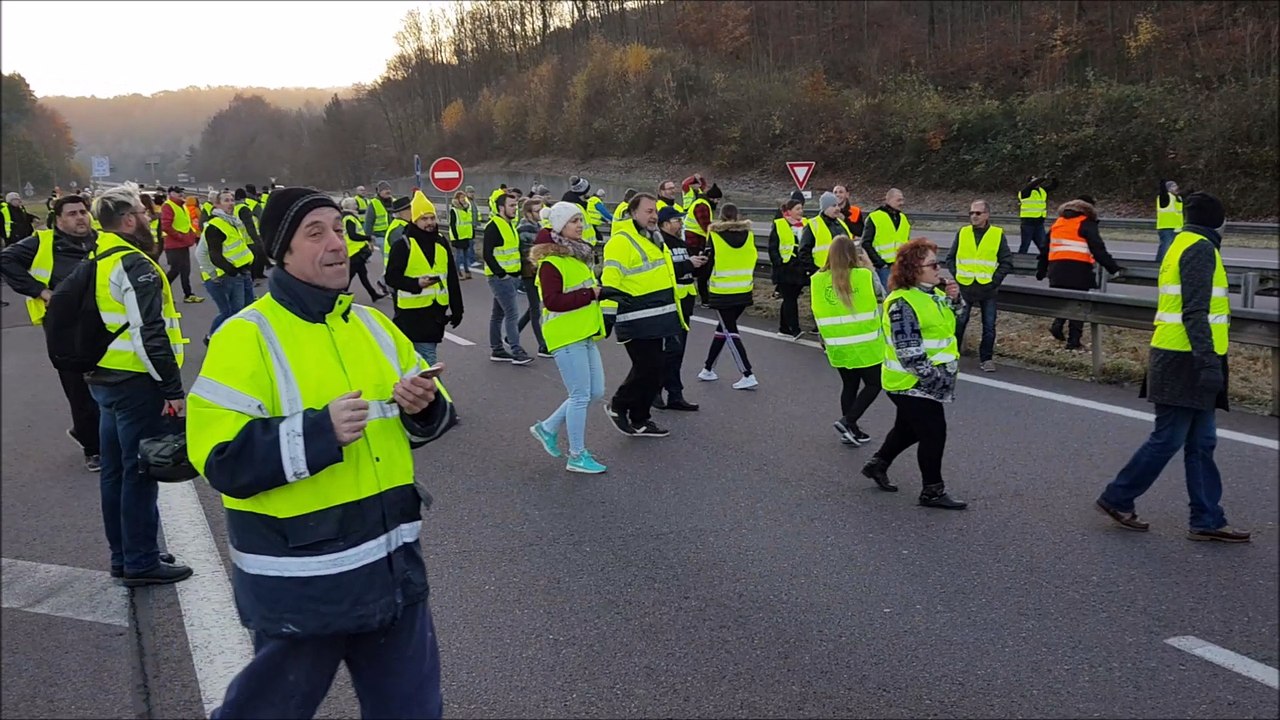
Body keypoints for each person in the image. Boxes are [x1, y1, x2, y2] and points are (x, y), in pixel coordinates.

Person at [186, 186, 455, 718]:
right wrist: (317, 433)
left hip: (394, 572)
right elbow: (219, 459)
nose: (337, 243)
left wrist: (421, 406)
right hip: (303, 586)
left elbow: (438, 412)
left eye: (340, 229)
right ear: (281, 252)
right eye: (316, 233)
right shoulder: (245, 335)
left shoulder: (375, 326)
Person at [1094, 193, 1248, 542]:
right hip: (1186, 360)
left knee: (1202, 441)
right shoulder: (1199, 249)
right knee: (1169, 439)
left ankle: (1207, 518)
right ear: (1217, 220)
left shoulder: (1180, 242)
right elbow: (1195, 311)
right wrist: (1209, 363)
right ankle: (1117, 497)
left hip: (1183, 356)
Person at [86, 184, 193, 584]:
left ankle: (125, 553)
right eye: (142, 213)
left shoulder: (97, 256)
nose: (148, 218)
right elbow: (151, 333)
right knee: (141, 472)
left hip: (104, 379)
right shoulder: (136, 264)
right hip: (136, 382)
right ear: (129, 219)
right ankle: (142, 561)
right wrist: (171, 389)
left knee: (115, 472)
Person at [860, 238, 968, 510]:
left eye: (938, 263)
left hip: (924, 380)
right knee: (934, 432)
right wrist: (936, 381)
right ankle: (932, 491)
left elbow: (952, 325)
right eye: (932, 264)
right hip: (912, 382)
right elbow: (909, 353)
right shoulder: (902, 303)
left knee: (908, 429)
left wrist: (955, 300)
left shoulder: (932, 293)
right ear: (914, 268)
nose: (938, 268)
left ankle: (878, 464)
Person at [1, 194, 103, 470]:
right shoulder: (43, 242)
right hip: (65, 327)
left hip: (103, 323)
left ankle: (98, 435)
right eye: (71, 213)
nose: (80, 217)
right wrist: (41, 291)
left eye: (83, 211)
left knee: (109, 382)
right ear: (58, 220)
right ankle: (93, 448)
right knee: (78, 388)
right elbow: (6, 260)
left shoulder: (102, 239)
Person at [528, 202, 610, 474]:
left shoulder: (576, 256)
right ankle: (576, 455)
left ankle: (547, 427)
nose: (580, 225)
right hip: (565, 335)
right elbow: (552, 301)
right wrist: (592, 294)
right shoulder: (551, 263)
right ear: (560, 226)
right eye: (574, 221)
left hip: (584, 332)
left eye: (581, 220)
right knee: (579, 396)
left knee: (595, 392)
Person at [602, 193, 687, 437]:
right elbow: (610, 280)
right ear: (633, 213)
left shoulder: (655, 238)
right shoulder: (621, 241)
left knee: (655, 369)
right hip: (635, 317)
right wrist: (608, 316)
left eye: (655, 211)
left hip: (658, 316)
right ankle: (619, 406)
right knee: (647, 366)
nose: (654, 216)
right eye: (648, 211)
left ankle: (640, 418)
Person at [810, 235, 885, 446]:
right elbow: (883, 297)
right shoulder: (863, 275)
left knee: (849, 385)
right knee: (874, 384)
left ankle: (850, 431)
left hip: (837, 344)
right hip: (866, 342)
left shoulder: (817, 280)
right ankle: (848, 421)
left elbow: (816, 312)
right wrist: (870, 267)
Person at [385, 192, 463, 366]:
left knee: (419, 363)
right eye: (424, 219)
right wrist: (416, 284)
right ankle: (434, 393)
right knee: (427, 363)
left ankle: (417, 390)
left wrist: (458, 309)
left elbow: (451, 278)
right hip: (411, 316)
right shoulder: (403, 245)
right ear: (414, 220)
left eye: (432, 218)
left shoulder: (441, 243)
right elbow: (391, 278)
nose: (429, 223)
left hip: (435, 315)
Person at [1036, 195, 1123, 350]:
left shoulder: (1058, 223)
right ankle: (1073, 342)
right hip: (1079, 270)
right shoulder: (1086, 223)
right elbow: (1098, 249)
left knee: (1064, 301)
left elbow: (1045, 249)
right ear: (1089, 209)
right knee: (1078, 306)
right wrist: (1113, 268)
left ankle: (1057, 325)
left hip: (1056, 270)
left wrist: (1041, 270)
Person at [944, 199, 1012, 372]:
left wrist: (994, 281)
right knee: (959, 323)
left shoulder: (997, 234)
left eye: (978, 213)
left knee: (989, 326)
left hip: (987, 289)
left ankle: (986, 359)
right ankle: (952, 356)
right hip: (965, 287)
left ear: (987, 215)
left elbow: (1006, 261)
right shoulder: (963, 232)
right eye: (971, 213)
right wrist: (957, 276)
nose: (973, 216)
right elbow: (950, 258)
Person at [697, 203, 758, 390]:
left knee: (730, 331)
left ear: (721, 217)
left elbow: (709, 263)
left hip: (722, 291)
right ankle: (708, 368)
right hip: (744, 289)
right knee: (723, 328)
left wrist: (702, 286)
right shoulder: (749, 235)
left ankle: (747, 373)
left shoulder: (714, 235)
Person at [652, 206, 705, 412]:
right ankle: (656, 390)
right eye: (676, 220)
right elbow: (662, 270)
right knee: (668, 350)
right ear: (665, 223)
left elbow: (686, 268)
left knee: (678, 351)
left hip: (685, 302)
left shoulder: (681, 243)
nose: (680, 223)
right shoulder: (659, 243)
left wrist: (699, 263)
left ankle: (675, 394)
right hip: (669, 304)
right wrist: (687, 264)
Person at [195, 190, 255, 343]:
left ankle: (241, 338)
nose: (231, 203)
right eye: (226, 200)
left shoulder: (232, 221)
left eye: (232, 200)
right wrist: (226, 272)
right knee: (233, 311)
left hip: (242, 271)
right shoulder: (215, 226)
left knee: (247, 308)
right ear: (217, 204)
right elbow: (206, 254)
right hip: (229, 275)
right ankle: (213, 338)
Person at [484, 192, 532, 364]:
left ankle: (497, 349)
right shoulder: (494, 226)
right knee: (512, 314)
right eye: (512, 206)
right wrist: (501, 274)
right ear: (501, 208)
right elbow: (487, 254)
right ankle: (516, 350)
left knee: (497, 315)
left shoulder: (510, 224)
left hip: (512, 276)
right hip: (501, 278)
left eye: (516, 206)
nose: (515, 209)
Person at [769, 198, 810, 339]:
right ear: (789, 211)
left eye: (801, 209)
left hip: (799, 268)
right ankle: (794, 329)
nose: (801, 211)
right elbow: (773, 247)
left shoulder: (806, 223)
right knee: (790, 298)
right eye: (797, 209)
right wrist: (779, 263)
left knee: (790, 298)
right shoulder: (780, 224)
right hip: (785, 269)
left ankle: (783, 328)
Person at [516, 197, 550, 357]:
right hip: (529, 272)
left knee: (533, 307)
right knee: (536, 309)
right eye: (537, 211)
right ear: (528, 213)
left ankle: (512, 335)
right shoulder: (524, 228)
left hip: (536, 272)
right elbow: (529, 254)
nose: (540, 214)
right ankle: (542, 345)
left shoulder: (537, 225)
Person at [159, 187, 203, 303]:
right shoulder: (168, 206)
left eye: (181, 192)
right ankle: (160, 292)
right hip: (174, 245)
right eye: (177, 192)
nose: (180, 194)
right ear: (170, 194)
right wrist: (179, 236)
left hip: (183, 243)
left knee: (185, 270)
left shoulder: (182, 206)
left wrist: (191, 235)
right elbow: (166, 226)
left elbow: (186, 222)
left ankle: (188, 294)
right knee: (175, 270)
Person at [861, 188, 911, 287]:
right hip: (884, 268)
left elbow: (907, 243)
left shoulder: (903, 218)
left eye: (902, 200)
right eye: (898, 200)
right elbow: (866, 242)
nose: (902, 203)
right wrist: (879, 263)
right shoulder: (875, 217)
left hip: (900, 267)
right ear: (888, 200)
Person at [798, 191, 854, 280]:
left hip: (844, 272)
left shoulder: (841, 224)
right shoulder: (813, 225)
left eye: (838, 205)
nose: (838, 208)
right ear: (825, 207)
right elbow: (803, 253)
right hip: (823, 274)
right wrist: (816, 271)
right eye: (833, 206)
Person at [340, 197, 386, 301]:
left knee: (363, 275)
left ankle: (373, 294)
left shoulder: (348, 217)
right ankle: (340, 297)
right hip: (354, 252)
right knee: (350, 276)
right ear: (349, 206)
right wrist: (368, 237)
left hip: (356, 252)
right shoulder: (349, 219)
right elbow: (353, 235)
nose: (356, 206)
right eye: (354, 205)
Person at [1017, 175, 1058, 254]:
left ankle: (1045, 263)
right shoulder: (1025, 192)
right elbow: (1032, 185)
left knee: (1043, 246)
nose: (1037, 183)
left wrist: (1054, 178)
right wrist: (1044, 178)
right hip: (1028, 223)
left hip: (1039, 223)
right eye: (1034, 181)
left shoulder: (1042, 191)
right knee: (1025, 245)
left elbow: (1053, 186)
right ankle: (1019, 262)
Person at [234, 188, 268, 281]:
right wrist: (257, 239)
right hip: (250, 238)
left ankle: (251, 278)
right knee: (254, 259)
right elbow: (251, 226)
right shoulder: (245, 208)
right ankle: (253, 278)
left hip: (239, 239)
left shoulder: (233, 208)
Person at [449, 190, 477, 280]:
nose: (463, 199)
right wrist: (456, 236)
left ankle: (467, 271)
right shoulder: (454, 210)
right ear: (457, 199)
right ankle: (458, 272)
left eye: (464, 197)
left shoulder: (466, 208)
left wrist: (472, 233)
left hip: (466, 235)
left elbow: (469, 222)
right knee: (459, 255)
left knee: (466, 255)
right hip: (458, 236)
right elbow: (452, 224)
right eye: (461, 197)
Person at [1155, 179, 1183, 263]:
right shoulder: (1165, 197)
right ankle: (1159, 264)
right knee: (1165, 248)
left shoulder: (1177, 198)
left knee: (1174, 249)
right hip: (1166, 227)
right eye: (1173, 186)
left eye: (1176, 185)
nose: (1176, 188)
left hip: (1176, 228)